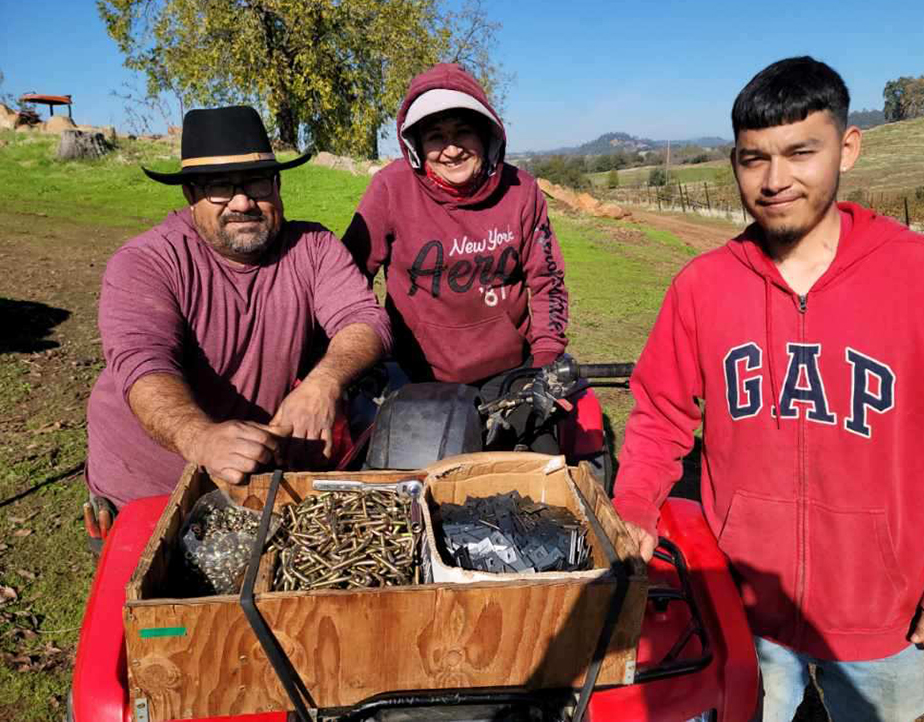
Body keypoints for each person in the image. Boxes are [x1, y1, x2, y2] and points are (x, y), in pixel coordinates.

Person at [612, 56, 924, 721]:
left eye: (800, 152)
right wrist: (634, 509)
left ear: (848, 148)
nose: (774, 180)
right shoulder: (703, 287)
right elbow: (661, 414)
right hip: (742, 603)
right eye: (752, 159)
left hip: (886, 610)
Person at [86, 105, 392, 522]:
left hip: (253, 478)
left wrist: (324, 382)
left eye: (257, 183)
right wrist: (199, 438)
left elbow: (364, 318)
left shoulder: (313, 248)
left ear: (277, 185)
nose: (243, 201)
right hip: (147, 489)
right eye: (220, 188)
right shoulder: (146, 262)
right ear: (191, 195)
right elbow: (143, 366)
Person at [341, 63, 569, 446]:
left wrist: (545, 358)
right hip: (415, 373)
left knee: (537, 470)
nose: (451, 149)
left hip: (509, 370)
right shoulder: (390, 188)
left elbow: (547, 280)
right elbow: (348, 278)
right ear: (415, 145)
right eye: (435, 136)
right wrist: (355, 355)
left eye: (463, 131)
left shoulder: (522, 190)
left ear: (487, 135)